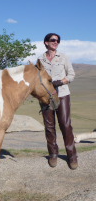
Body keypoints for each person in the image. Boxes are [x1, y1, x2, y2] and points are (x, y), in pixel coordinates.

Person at [38, 33, 78, 170]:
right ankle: (53, 154)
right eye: (53, 40)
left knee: (66, 125)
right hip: (46, 96)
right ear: (46, 43)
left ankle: (72, 156)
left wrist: (61, 81)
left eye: (58, 41)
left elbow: (71, 74)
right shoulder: (40, 60)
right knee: (49, 127)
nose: (56, 42)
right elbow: (37, 79)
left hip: (62, 94)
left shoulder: (64, 57)